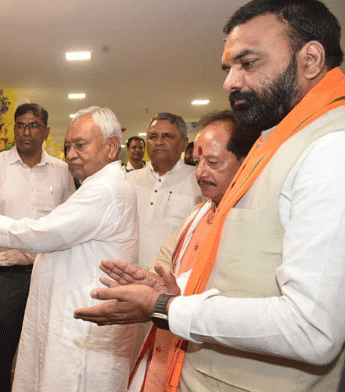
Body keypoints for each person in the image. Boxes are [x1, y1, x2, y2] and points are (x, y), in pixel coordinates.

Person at [74, 0, 345, 391]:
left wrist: (166, 308)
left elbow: (313, 330)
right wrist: (174, 290)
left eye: (247, 63)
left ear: (311, 59)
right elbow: (252, 272)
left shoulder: (329, 148)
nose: (230, 82)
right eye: (229, 67)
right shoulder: (283, 141)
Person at [0, 106, 139, 392]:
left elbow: (46, 233)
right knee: (5, 355)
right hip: (11, 278)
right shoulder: (97, 185)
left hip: (83, 320)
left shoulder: (104, 189)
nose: (72, 153)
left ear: (111, 146)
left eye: (80, 145)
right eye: (68, 146)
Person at [127, 110, 255, 392]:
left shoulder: (255, 218)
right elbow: (166, 255)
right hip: (173, 333)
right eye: (198, 162)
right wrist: (152, 280)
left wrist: (170, 293)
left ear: (246, 163)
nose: (200, 172)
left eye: (213, 162)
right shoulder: (201, 211)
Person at [0, 103, 74, 392]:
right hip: (5, 279)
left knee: (46, 354)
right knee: (1, 355)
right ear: (14, 128)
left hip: (49, 275)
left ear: (46, 131)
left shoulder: (62, 172)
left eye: (34, 125)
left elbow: (70, 227)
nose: (26, 131)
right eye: (21, 125)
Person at [126, 113, 202, 277]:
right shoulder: (129, 180)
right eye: (153, 136)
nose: (159, 142)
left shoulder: (199, 181)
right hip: (130, 276)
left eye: (168, 136)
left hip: (174, 280)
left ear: (184, 144)